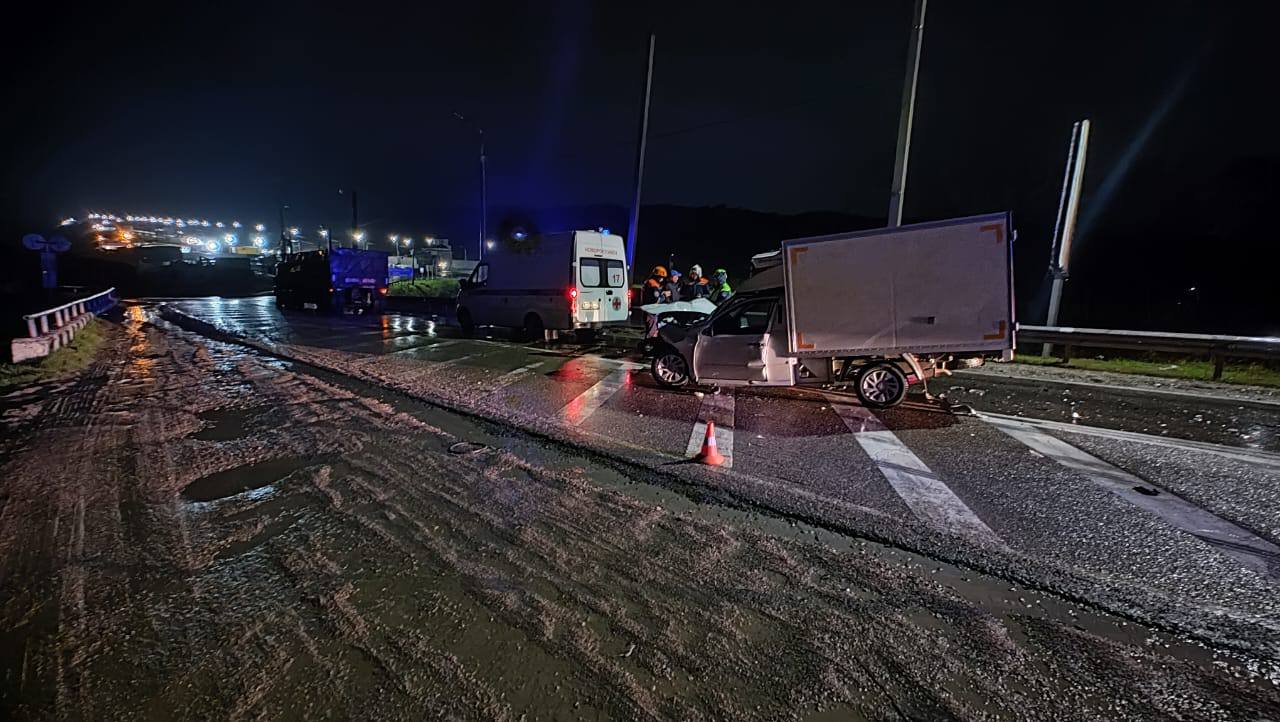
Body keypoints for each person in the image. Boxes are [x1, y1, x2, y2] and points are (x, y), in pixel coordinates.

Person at [643, 266, 668, 337]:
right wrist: (664, 295)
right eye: (661, 277)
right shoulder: (653, 285)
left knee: (652, 331)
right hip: (651, 312)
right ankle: (648, 346)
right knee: (651, 332)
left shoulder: (649, 283)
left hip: (649, 311)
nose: (662, 279)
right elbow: (656, 300)